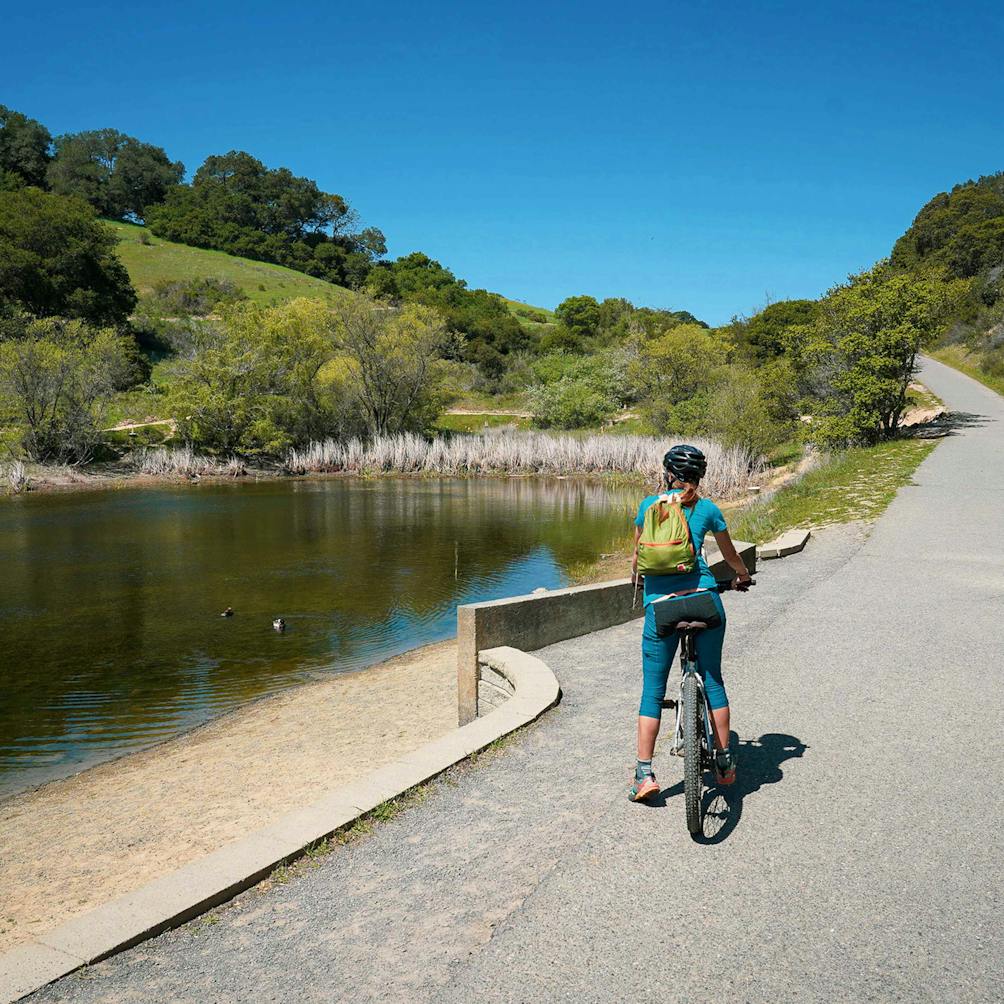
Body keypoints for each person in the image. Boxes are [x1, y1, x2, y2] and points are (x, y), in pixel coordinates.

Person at [629, 443, 751, 801]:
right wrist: (741, 576)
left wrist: (640, 581)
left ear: (668, 473)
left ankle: (644, 774)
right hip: (705, 602)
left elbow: (638, 558)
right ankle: (725, 761)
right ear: (700, 475)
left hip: (662, 608)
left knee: (652, 692)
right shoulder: (709, 508)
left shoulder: (649, 507)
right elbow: (730, 556)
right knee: (712, 679)